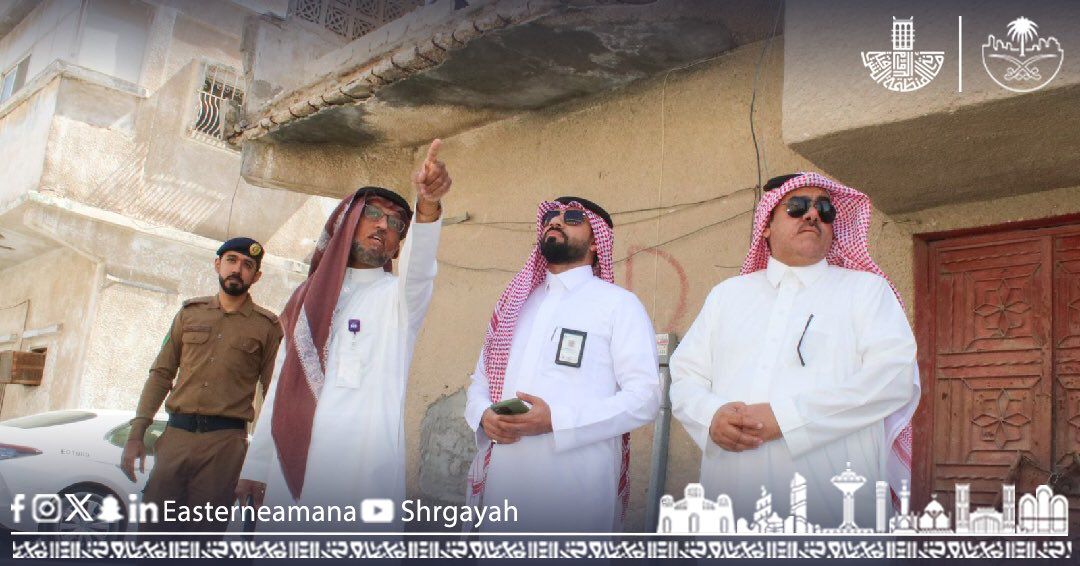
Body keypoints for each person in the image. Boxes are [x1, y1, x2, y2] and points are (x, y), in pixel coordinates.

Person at [669, 172, 919, 529]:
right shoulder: (728, 296)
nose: (813, 214)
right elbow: (685, 375)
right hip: (732, 503)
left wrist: (787, 418)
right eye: (797, 206)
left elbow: (893, 379)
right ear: (766, 225)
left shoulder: (866, 291)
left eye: (825, 209)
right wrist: (711, 416)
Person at [234, 140, 451, 531]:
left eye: (396, 224)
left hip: (361, 481)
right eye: (373, 214)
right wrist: (257, 465)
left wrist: (428, 207)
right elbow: (283, 385)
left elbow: (420, 271)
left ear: (398, 247)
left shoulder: (398, 301)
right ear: (347, 224)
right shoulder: (306, 300)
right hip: (289, 479)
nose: (384, 226)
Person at [464, 196, 661, 532]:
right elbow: (481, 380)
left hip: (576, 492)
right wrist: (483, 416)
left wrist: (557, 421)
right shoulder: (516, 304)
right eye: (550, 217)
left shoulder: (619, 306)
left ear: (597, 242)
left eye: (572, 217)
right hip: (504, 486)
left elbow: (645, 398)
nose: (555, 221)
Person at [121, 237, 283, 532]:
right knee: (152, 535)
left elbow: (274, 396)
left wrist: (261, 465)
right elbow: (161, 374)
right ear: (218, 264)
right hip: (175, 439)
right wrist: (136, 434)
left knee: (202, 540)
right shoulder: (189, 313)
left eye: (248, 265)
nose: (238, 270)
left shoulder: (268, 327)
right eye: (231, 260)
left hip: (224, 447)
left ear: (256, 276)